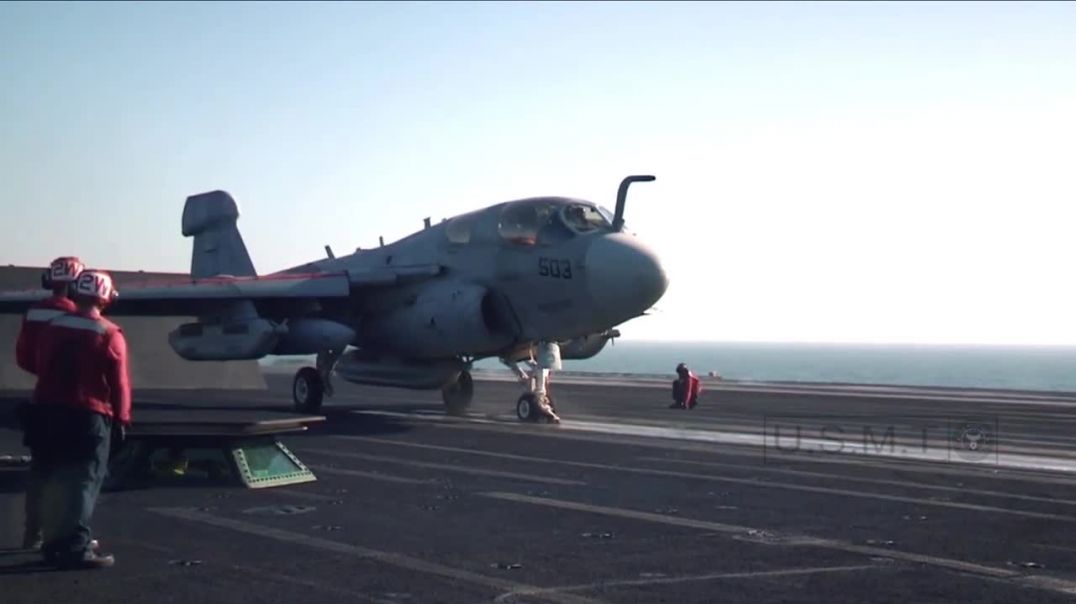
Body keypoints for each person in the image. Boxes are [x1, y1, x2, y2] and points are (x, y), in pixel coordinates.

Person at [27, 269, 130, 569]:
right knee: (83, 482)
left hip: (46, 411)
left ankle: (52, 542)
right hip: (89, 416)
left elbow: (36, 362)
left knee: (53, 477)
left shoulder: (52, 326)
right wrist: (122, 419)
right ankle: (77, 547)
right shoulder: (109, 333)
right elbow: (119, 383)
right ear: (107, 297)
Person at [15, 256, 84, 551]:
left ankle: (33, 533)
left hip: (42, 399)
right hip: (76, 404)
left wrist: (47, 373)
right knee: (72, 472)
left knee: (41, 469)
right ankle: (64, 535)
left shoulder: (34, 313)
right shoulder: (81, 317)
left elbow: (24, 358)